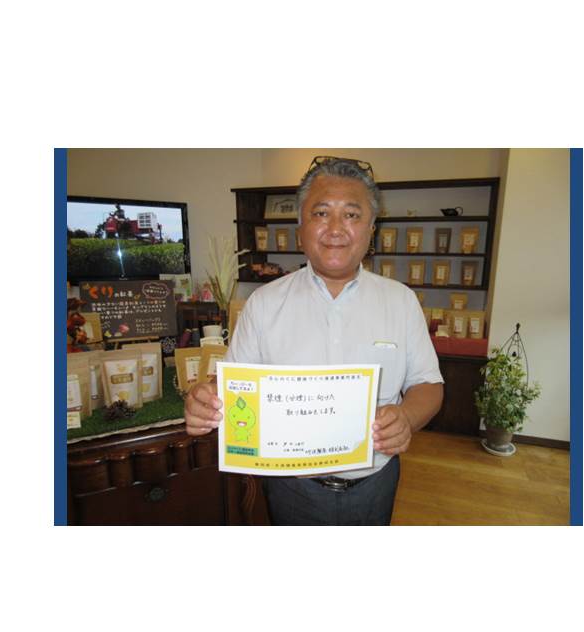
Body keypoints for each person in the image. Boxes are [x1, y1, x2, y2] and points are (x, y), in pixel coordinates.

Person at [184, 157, 444, 525]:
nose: (336, 228)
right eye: (321, 213)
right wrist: (205, 400)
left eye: (351, 215)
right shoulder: (263, 304)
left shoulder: (401, 301)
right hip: (291, 486)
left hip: (376, 481)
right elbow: (233, 387)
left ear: (371, 228)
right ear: (300, 227)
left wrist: (406, 417)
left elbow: (428, 384)